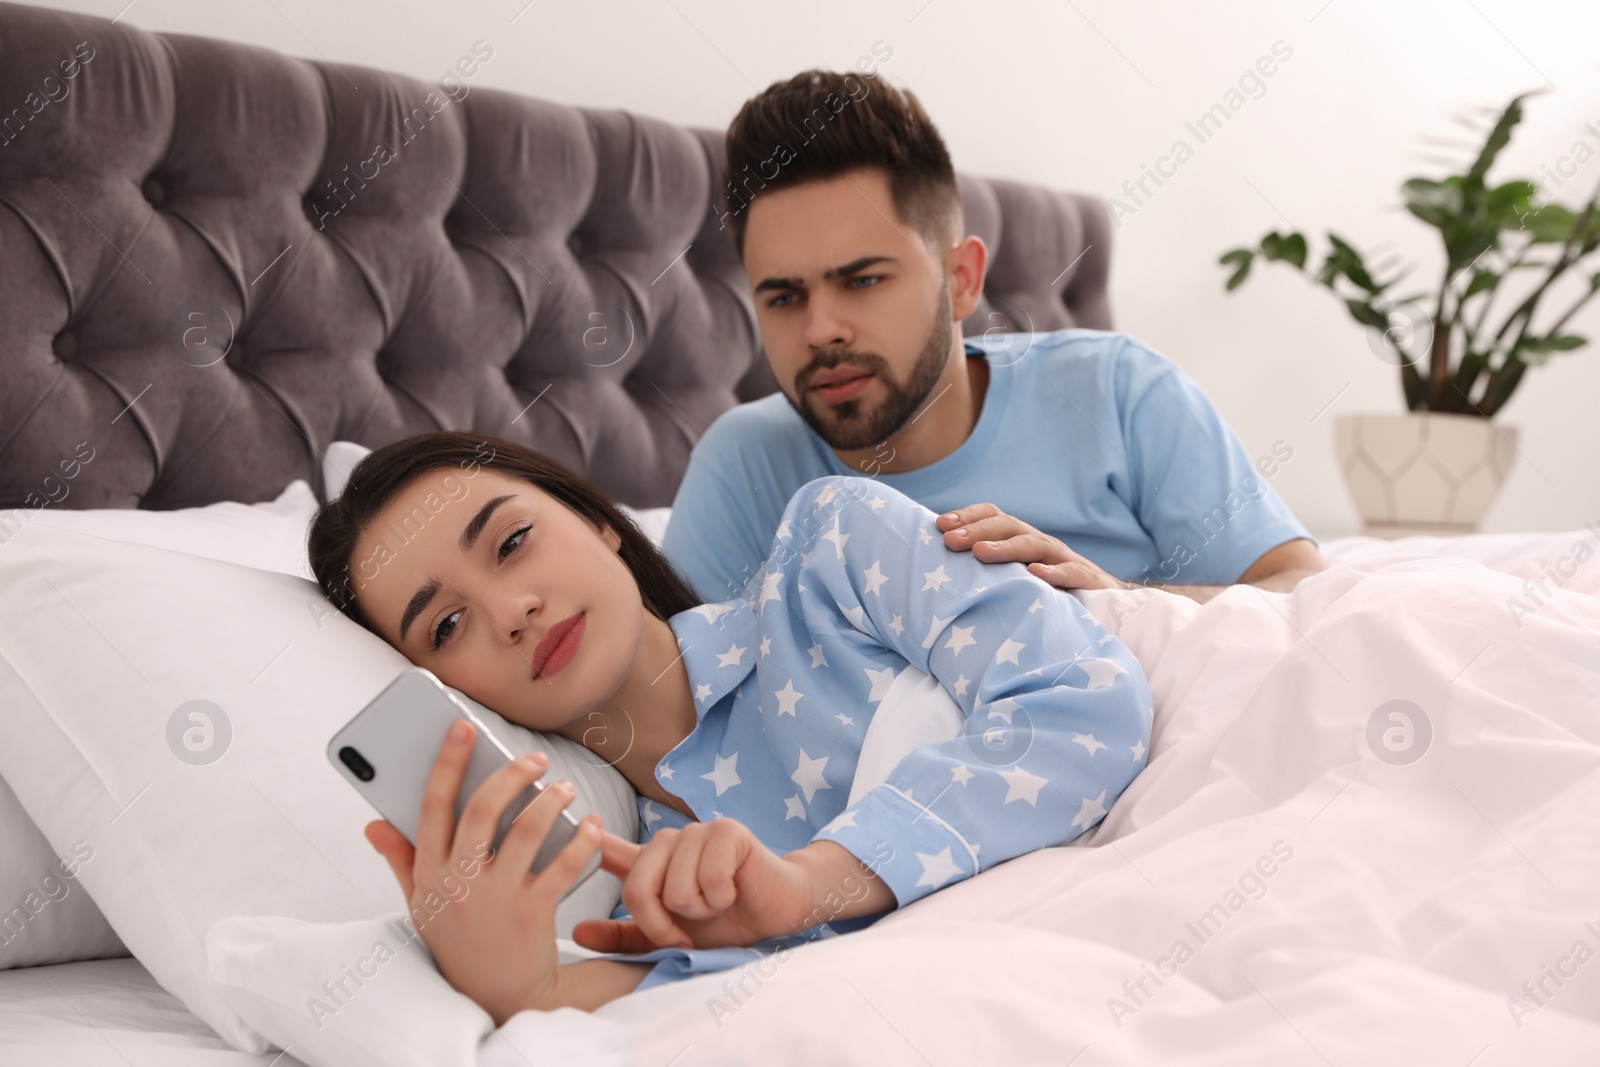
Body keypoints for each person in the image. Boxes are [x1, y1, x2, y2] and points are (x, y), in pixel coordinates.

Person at [308, 430, 1153, 1021]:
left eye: (513, 541)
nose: (511, 609)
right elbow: (737, 1021)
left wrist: (809, 881)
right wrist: (520, 995)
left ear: (600, 520)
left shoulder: (833, 555)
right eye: (446, 628)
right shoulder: (649, 869)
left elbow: (1088, 702)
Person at [662, 69, 1327, 609]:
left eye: (862, 281)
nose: (819, 330)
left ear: (961, 279)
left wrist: (1116, 604)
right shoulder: (742, 468)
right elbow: (684, 717)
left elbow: (1300, 588)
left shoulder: (1119, 391)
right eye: (784, 296)